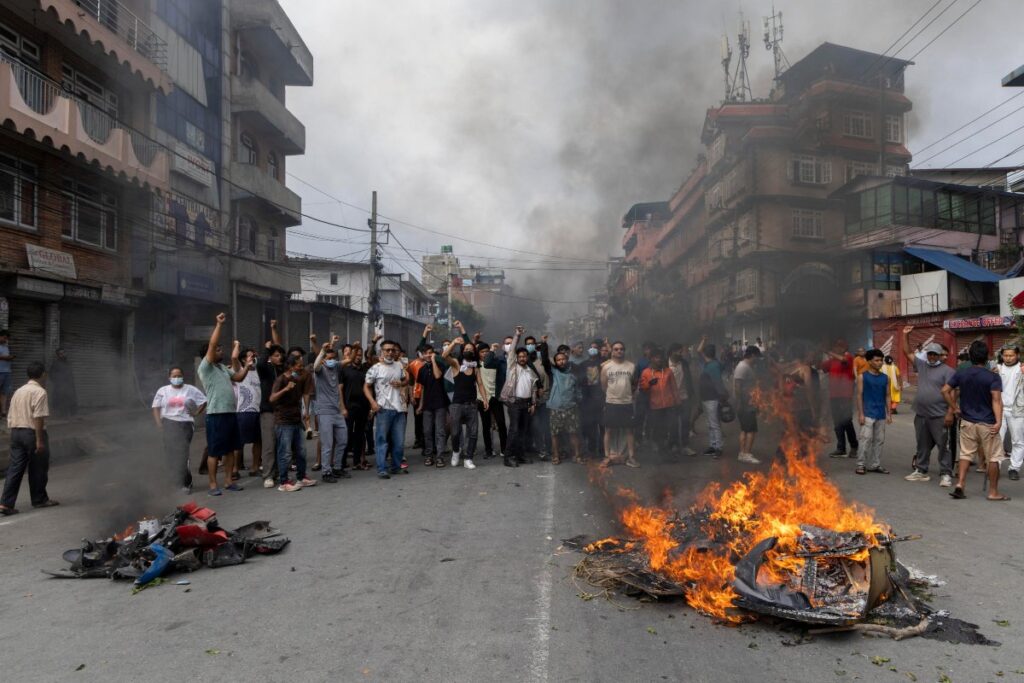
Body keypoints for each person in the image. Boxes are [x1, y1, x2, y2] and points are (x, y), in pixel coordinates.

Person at [943, 340, 1009, 501]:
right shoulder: (993, 377)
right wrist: (999, 422)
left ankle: (960, 484)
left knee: (966, 454)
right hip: (987, 422)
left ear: (970, 357)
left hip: (967, 421)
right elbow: (996, 400)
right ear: (986, 357)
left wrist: (955, 408)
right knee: (993, 457)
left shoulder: (961, 374)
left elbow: (945, 390)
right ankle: (993, 492)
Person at [196, 314, 248, 496]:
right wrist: (218, 324)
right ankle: (212, 485)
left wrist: (247, 365)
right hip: (216, 414)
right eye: (218, 349)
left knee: (231, 449)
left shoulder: (222, 368)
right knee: (215, 451)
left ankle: (228, 481)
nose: (220, 350)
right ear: (208, 355)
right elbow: (211, 345)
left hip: (230, 413)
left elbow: (239, 378)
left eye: (220, 349)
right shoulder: (205, 367)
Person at [901, 328, 956, 487]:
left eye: (935, 354)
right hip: (921, 414)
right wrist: (905, 335)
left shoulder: (948, 371)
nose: (932, 356)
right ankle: (921, 470)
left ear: (940, 356)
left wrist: (950, 413)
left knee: (943, 445)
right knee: (922, 444)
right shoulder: (922, 365)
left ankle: (946, 474)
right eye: (930, 354)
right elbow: (907, 352)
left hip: (940, 415)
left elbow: (952, 394)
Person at [0, 361, 57, 515]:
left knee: (15, 468)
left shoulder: (19, 391)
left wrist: (13, 431)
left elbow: (10, 413)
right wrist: (39, 440)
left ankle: (5, 504)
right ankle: (39, 500)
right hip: (32, 433)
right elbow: (38, 417)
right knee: (38, 467)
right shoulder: (40, 392)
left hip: (16, 433)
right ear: (43, 374)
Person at [152, 367, 206, 492]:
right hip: (168, 423)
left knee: (182, 453)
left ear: (183, 376)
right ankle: (174, 481)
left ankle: (186, 483)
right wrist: (159, 424)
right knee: (171, 453)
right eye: (174, 376)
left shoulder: (191, 389)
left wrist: (196, 413)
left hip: (185, 423)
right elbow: (156, 407)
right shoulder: (163, 390)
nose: (177, 378)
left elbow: (203, 401)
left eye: (179, 375)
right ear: (169, 377)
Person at [270, 354, 317, 492]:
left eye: (302, 366)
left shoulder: (298, 378)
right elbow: (272, 398)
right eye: (298, 366)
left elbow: (306, 394)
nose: (301, 368)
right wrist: (285, 389)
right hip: (283, 422)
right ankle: (283, 482)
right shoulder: (281, 379)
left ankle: (301, 477)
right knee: (285, 453)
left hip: (296, 420)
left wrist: (306, 413)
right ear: (290, 367)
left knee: (301, 451)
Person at [364, 339, 411, 479]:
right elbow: (366, 386)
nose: (390, 352)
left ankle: (396, 467)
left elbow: (407, 380)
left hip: (399, 409)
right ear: (382, 352)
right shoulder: (375, 368)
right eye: (387, 350)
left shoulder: (399, 366)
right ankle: (382, 469)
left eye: (392, 350)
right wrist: (372, 402)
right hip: (383, 409)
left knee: (399, 441)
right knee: (382, 440)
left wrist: (401, 382)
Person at [441, 337, 485, 469]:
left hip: (472, 404)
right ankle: (456, 451)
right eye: (466, 349)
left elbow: (480, 384)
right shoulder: (456, 364)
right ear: (462, 351)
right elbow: (444, 355)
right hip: (457, 404)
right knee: (455, 432)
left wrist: (485, 399)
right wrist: (453, 343)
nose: (468, 351)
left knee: (473, 433)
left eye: (471, 350)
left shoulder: (475, 367)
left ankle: (468, 458)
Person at [500, 327, 538, 467]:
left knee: (523, 431)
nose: (522, 358)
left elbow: (533, 389)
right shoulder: (512, 366)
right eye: (520, 356)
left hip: (526, 404)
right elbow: (511, 350)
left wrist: (533, 403)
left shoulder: (530, 371)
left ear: (527, 358)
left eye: (524, 356)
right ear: (516, 357)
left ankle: (520, 455)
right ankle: (508, 457)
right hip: (514, 403)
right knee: (514, 430)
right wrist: (517, 335)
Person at [313, 335, 349, 483]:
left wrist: (333, 344)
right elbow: (315, 366)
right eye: (328, 358)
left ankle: (338, 468)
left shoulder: (336, 368)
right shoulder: (319, 371)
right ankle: (326, 472)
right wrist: (322, 350)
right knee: (327, 444)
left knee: (342, 440)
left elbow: (347, 360)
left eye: (333, 357)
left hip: (337, 411)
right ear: (323, 359)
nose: (331, 360)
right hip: (325, 411)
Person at [256, 321, 285, 487]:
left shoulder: (282, 369)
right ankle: (268, 475)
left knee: (282, 444)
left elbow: (280, 348)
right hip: (268, 411)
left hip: (283, 411)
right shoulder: (265, 369)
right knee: (269, 444)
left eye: (280, 355)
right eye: (275, 355)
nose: (279, 357)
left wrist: (274, 329)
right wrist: (267, 349)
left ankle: (280, 472)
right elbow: (260, 362)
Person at [601, 341, 638, 467]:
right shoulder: (606, 367)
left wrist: (627, 395)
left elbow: (634, 384)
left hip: (627, 403)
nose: (619, 351)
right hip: (611, 402)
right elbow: (603, 386)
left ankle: (631, 457)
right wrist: (612, 396)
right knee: (608, 430)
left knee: (629, 431)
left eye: (621, 349)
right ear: (612, 351)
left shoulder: (631, 366)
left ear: (624, 351)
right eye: (616, 349)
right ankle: (607, 457)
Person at [855, 349, 891, 476]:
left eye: (881, 360)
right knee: (865, 439)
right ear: (869, 361)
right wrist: (861, 414)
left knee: (879, 440)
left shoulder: (886, 378)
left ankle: (875, 464)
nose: (880, 362)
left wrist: (889, 414)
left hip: (881, 414)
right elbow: (859, 396)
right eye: (876, 360)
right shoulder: (862, 377)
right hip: (868, 413)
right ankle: (861, 464)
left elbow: (887, 396)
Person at [821, 339, 859, 459]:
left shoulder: (848, 358)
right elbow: (821, 367)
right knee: (837, 423)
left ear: (844, 348)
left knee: (847, 422)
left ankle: (854, 447)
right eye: (836, 346)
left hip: (846, 396)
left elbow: (843, 360)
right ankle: (841, 448)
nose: (837, 348)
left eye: (840, 346)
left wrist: (828, 351)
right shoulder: (832, 361)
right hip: (834, 396)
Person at [545, 349, 584, 464]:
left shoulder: (573, 374)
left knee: (574, 433)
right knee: (555, 434)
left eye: (563, 359)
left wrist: (578, 400)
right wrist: (544, 345)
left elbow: (578, 391)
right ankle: (556, 456)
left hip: (571, 408)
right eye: (558, 360)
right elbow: (545, 361)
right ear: (555, 362)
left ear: (567, 360)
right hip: (556, 408)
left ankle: (577, 455)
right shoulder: (554, 372)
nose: (561, 361)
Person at [639, 348, 679, 455]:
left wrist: (677, 403)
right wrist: (649, 384)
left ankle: (670, 448)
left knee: (671, 427)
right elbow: (642, 389)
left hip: (669, 405)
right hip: (655, 406)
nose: (659, 360)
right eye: (656, 357)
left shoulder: (668, 371)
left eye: (660, 357)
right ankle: (661, 451)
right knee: (658, 429)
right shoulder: (646, 372)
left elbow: (674, 388)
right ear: (651, 359)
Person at [417, 343, 449, 468]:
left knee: (440, 431)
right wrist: (420, 405)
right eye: (425, 353)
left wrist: (434, 361)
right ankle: (429, 455)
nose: (428, 355)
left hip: (440, 403)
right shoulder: (422, 369)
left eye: (430, 352)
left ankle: (440, 457)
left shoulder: (440, 365)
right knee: (427, 431)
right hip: (427, 405)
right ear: (422, 355)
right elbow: (423, 388)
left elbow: (437, 375)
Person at [341, 345, 372, 470]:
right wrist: (342, 408)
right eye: (356, 355)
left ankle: (357, 461)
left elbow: (370, 389)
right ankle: (341, 462)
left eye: (360, 355)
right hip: (349, 407)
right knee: (346, 434)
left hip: (363, 407)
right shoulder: (345, 370)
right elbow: (340, 390)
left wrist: (370, 407)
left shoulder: (365, 370)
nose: (358, 357)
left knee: (360, 434)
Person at [696, 336, 727, 458]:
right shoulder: (710, 363)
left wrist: (722, 397)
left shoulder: (713, 366)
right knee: (711, 424)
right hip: (706, 398)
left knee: (714, 424)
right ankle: (712, 446)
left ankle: (718, 448)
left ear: (707, 353)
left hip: (712, 398)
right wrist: (704, 340)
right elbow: (699, 351)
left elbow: (718, 383)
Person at [997, 345, 1024, 481]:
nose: (1008, 358)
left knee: (1018, 441)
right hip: (999, 409)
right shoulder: (997, 368)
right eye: (1005, 355)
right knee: (997, 440)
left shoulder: (1022, 369)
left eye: (1011, 355)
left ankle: (1014, 468)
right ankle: (995, 466)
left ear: (1017, 355)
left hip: (1017, 410)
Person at [233, 348, 261, 481]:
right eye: (250, 356)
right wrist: (237, 345)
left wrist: (256, 356)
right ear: (244, 359)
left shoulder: (258, 371)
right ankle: (234, 469)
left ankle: (255, 467)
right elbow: (234, 358)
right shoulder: (240, 370)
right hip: (244, 411)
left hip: (258, 410)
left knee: (258, 441)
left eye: (254, 356)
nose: (253, 358)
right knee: (239, 442)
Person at [732, 345, 762, 465]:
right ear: (753, 355)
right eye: (757, 357)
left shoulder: (745, 366)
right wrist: (741, 403)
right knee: (751, 430)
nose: (757, 360)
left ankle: (742, 453)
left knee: (745, 429)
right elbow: (737, 386)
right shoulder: (742, 367)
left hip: (747, 403)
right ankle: (746, 454)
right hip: (745, 404)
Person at [579, 340, 606, 459]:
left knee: (603, 426)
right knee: (590, 426)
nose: (592, 349)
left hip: (601, 399)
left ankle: (603, 450)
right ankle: (591, 450)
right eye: (591, 347)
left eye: (595, 348)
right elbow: (579, 381)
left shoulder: (603, 363)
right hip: (587, 400)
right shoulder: (583, 364)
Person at [667, 343, 696, 456]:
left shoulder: (684, 363)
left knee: (685, 422)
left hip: (684, 397)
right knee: (672, 424)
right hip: (670, 399)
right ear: (672, 352)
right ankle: (673, 445)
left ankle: (685, 446)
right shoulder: (665, 364)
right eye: (679, 352)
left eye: (681, 352)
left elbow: (689, 379)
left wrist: (692, 394)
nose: (681, 354)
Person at [48, 348, 77, 417]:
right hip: (60, 386)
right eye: (61, 354)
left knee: (71, 399)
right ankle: (63, 415)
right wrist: (58, 382)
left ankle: (72, 414)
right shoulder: (55, 363)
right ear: (58, 355)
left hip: (69, 385)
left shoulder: (68, 362)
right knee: (62, 400)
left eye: (64, 353)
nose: (63, 354)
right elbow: (51, 374)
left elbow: (70, 374)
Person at [0, 329, 13, 417]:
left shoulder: (5, 346)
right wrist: (5, 358)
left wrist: (10, 357)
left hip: (7, 372)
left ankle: (3, 412)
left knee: (4, 392)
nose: (5, 340)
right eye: (4, 338)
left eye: (7, 338)